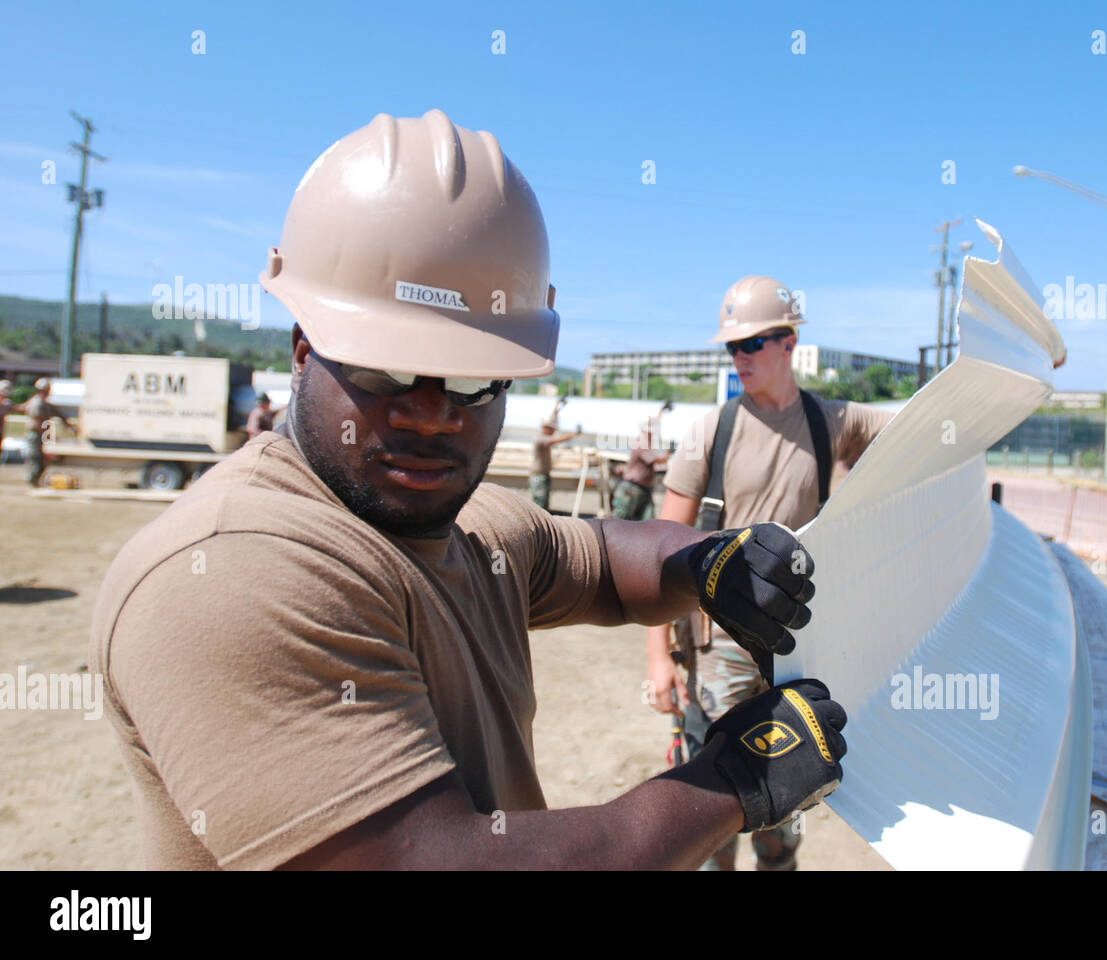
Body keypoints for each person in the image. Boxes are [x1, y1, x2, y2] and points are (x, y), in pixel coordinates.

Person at [88, 111, 847, 870]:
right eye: (383, 366)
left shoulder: (465, 526)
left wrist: (709, 563)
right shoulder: (231, 572)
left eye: (472, 377)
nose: (431, 412)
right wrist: (732, 782)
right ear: (301, 350)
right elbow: (431, 862)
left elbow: (607, 560)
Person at [645, 275, 894, 871]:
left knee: (786, 790)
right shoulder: (712, 431)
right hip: (719, 650)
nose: (739, 357)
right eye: (732, 347)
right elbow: (659, 551)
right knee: (711, 797)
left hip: (793, 646)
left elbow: (928, 429)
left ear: (789, 343)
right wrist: (657, 658)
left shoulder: (830, 423)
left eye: (752, 344)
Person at [612, 407, 670, 521]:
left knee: (646, 525)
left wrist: (662, 411)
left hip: (642, 489)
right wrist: (669, 454)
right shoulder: (642, 444)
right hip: (632, 489)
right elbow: (657, 460)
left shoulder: (645, 442)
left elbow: (653, 421)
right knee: (620, 522)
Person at [20, 378, 77, 487]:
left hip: (41, 434)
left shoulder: (43, 403)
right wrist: (48, 436)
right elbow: (38, 422)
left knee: (41, 458)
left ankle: (35, 480)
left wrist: (69, 425)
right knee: (35, 457)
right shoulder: (37, 403)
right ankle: (33, 480)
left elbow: (59, 414)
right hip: (36, 435)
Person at [529, 400, 579, 511]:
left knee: (543, 503)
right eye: (552, 429)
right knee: (540, 505)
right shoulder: (540, 439)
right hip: (539, 477)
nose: (553, 431)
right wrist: (573, 435)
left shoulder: (542, 436)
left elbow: (551, 418)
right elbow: (555, 440)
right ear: (546, 428)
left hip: (542, 475)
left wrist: (557, 407)